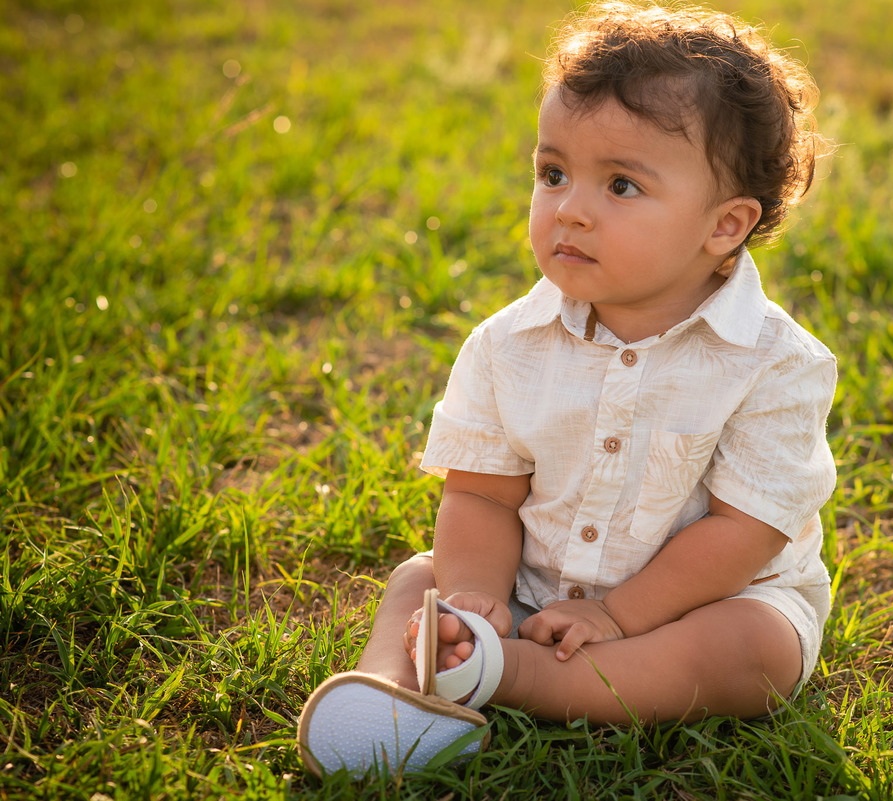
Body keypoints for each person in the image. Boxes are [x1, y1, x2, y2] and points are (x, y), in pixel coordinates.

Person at [298, 0, 837, 777]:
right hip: (536, 584)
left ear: (724, 226)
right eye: (553, 173)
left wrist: (617, 614)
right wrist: (482, 596)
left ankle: (506, 677)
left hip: (698, 607)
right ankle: (397, 685)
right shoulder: (507, 344)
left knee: (757, 652)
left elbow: (741, 533)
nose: (570, 210)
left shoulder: (775, 363)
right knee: (423, 576)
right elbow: (482, 497)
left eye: (620, 185)